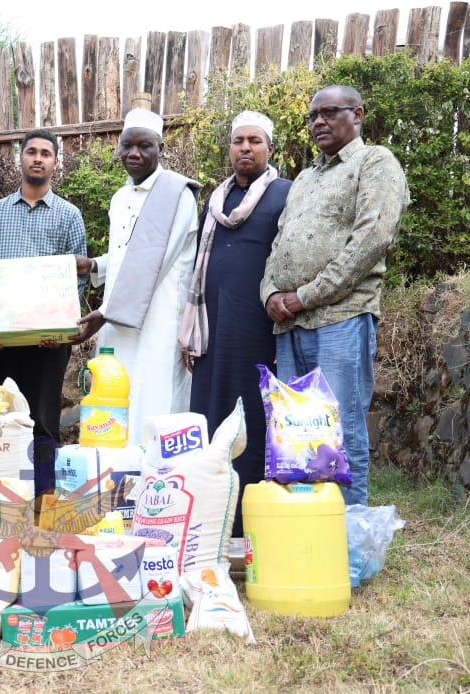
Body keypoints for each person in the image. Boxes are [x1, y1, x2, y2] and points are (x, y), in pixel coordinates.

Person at [260, 85, 410, 506]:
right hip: (290, 324)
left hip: (341, 317)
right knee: (297, 436)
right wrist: (269, 291)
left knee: (339, 432)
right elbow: (279, 243)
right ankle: (307, 534)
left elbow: (370, 241)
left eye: (329, 112)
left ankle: (349, 544)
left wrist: (304, 295)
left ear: (357, 114)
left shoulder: (375, 162)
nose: (318, 122)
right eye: (313, 116)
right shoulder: (305, 178)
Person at [179, 110, 292, 537]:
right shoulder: (215, 199)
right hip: (211, 334)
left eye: (255, 141)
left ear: (270, 149)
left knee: (252, 422)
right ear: (229, 149)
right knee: (210, 419)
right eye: (238, 141)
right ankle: (209, 519)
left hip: (256, 334)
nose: (245, 148)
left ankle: (248, 523)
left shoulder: (285, 194)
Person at [0, 129, 87, 496]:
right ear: (20, 158)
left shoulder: (69, 215)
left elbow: (74, 280)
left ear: (55, 163)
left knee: (43, 423)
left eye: (46, 153)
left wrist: (59, 327)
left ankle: (43, 504)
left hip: (48, 343)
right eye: (31, 151)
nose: (37, 158)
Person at [73, 108, 200, 445]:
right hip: (118, 315)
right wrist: (95, 265)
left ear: (161, 148)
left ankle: (153, 474)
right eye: (127, 145)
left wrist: (106, 312)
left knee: (153, 392)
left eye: (144, 146)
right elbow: (128, 255)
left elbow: (157, 262)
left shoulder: (178, 195)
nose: (134, 154)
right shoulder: (120, 197)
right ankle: (116, 471)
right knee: (116, 391)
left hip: (158, 317)